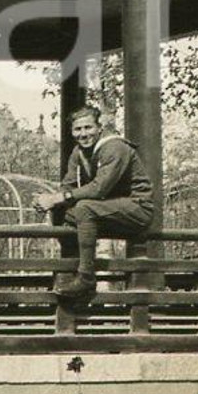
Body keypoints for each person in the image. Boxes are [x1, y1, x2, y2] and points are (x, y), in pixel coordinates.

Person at [34, 104, 155, 303]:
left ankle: (86, 278)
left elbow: (100, 189)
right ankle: (68, 272)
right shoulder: (78, 152)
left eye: (88, 128)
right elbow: (68, 185)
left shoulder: (115, 147)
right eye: (78, 129)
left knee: (83, 208)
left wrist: (59, 198)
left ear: (99, 127)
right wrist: (48, 200)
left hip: (137, 209)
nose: (83, 134)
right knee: (60, 211)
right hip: (108, 211)